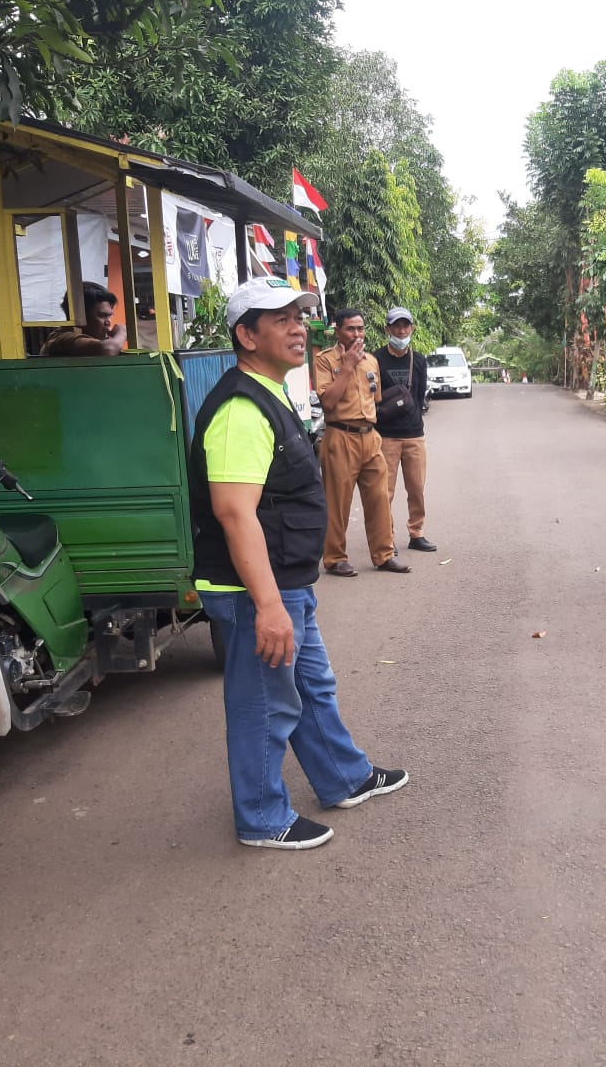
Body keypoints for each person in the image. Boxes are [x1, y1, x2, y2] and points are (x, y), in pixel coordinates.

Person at [187, 277, 409, 850]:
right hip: (255, 589)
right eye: (281, 319)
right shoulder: (241, 408)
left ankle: (343, 776)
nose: (298, 328)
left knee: (311, 685)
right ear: (246, 335)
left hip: (287, 579)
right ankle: (262, 818)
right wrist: (267, 606)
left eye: (300, 317)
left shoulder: (272, 391)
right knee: (266, 703)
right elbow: (235, 513)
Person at [313, 308, 410, 576]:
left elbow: (375, 398)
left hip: (370, 436)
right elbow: (328, 402)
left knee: (379, 499)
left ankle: (384, 554)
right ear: (337, 331)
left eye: (360, 328)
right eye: (350, 329)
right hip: (340, 436)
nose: (357, 334)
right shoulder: (324, 361)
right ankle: (335, 558)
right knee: (337, 503)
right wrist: (347, 367)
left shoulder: (371, 361)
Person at [373, 306, 436, 553]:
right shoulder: (375, 359)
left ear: (412, 328)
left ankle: (416, 533)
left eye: (405, 326)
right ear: (387, 329)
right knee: (384, 491)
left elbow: (419, 397)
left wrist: (414, 421)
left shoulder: (418, 360)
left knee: (417, 488)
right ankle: (386, 537)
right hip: (386, 436)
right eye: (396, 326)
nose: (401, 331)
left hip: (414, 435)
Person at [39, 282, 128, 356]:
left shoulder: (91, 339)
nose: (108, 322)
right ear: (80, 316)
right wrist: (122, 332)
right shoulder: (63, 338)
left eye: (109, 316)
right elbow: (108, 349)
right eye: (102, 316)